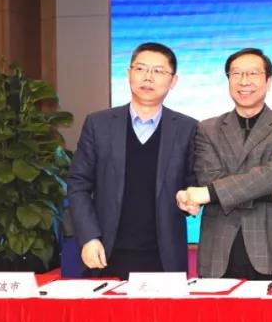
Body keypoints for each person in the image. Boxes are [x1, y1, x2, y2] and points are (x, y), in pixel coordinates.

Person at [67, 42, 197, 277]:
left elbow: (193, 184)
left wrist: (190, 201)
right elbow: (78, 184)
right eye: (140, 69)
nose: (148, 77)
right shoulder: (99, 124)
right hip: (104, 252)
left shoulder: (188, 128)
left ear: (173, 81)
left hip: (164, 257)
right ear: (128, 74)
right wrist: (88, 237)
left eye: (158, 71)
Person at [175, 48, 272, 281]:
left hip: (267, 246)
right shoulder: (207, 128)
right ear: (228, 80)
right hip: (217, 246)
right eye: (236, 74)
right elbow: (208, 177)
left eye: (253, 73)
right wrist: (268, 192)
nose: (244, 81)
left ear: (268, 81)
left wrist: (210, 194)